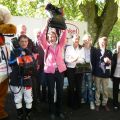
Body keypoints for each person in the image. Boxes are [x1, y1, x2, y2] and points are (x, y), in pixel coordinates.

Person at [37, 24, 67, 120]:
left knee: (60, 92)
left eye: (53, 36)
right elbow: (42, 37)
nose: (52, 38)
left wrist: (63, 26)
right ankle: (52, 112)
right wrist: (46, 25)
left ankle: (60, 111)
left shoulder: (60, 45)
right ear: (48, 38)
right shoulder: (46, 46)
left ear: (56, 37)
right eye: (50, 36)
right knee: (50, 92)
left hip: (60, 72)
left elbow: (64, 35)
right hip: (50, 72)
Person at [9, 35, 38, 120]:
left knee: (28, 97)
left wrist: (31, 68)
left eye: (25, 41)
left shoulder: (29, 51)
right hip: (16, 79)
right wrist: (18, 59)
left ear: (28, 42)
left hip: (27, 79)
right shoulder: (14, 51)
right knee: (18, 98)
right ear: (19, 42)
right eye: (22, 41)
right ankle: (20, 114)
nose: (24, 43)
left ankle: (28, 114)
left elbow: (34, 65)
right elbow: (10, 63)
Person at [64, 34, 85, 110]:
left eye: (78, 39)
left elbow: (82, 59)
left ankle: (78, 103)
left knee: (79, 87)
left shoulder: (81, 48)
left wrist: (74, 59)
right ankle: (71, 103)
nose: (77, 40)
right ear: (72, 39)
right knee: (71, 87)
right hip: (70, 69)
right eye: (75, 38)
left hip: (79, 69)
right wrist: (73, 59)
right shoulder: (68, 48)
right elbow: (66, 59)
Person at [92, 37, 112, 111]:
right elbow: (93, 63)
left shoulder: (109, 52)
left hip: (106, 74)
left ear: (106, 43)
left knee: (105, 90)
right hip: (97, 74)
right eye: (101, 42)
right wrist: (93, 74)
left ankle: (105, 103)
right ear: (99, 43)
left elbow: (111, 63)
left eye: (104, 42)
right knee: (97, 90)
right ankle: (97, 104)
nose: (102, 43)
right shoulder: (95, 51)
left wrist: (109, 61)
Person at [81, 34, 96, 110]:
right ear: (83, 41)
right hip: (82, 70)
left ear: (90, 40)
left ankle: (91, 101)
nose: (86, 41)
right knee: (83, 86)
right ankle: (83, 98)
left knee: (90, 87)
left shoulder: (94, 49)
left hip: (90, 71)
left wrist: (94, 74)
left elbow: (96, 62)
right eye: (85, 40)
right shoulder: (80, 48)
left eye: (88, 39)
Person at [111, 41, 120, 111]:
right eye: (118, 46)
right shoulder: (114, 55)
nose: (119, 48)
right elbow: (112, 65)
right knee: (115, 90)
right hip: (115, 75)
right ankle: (115, 104)